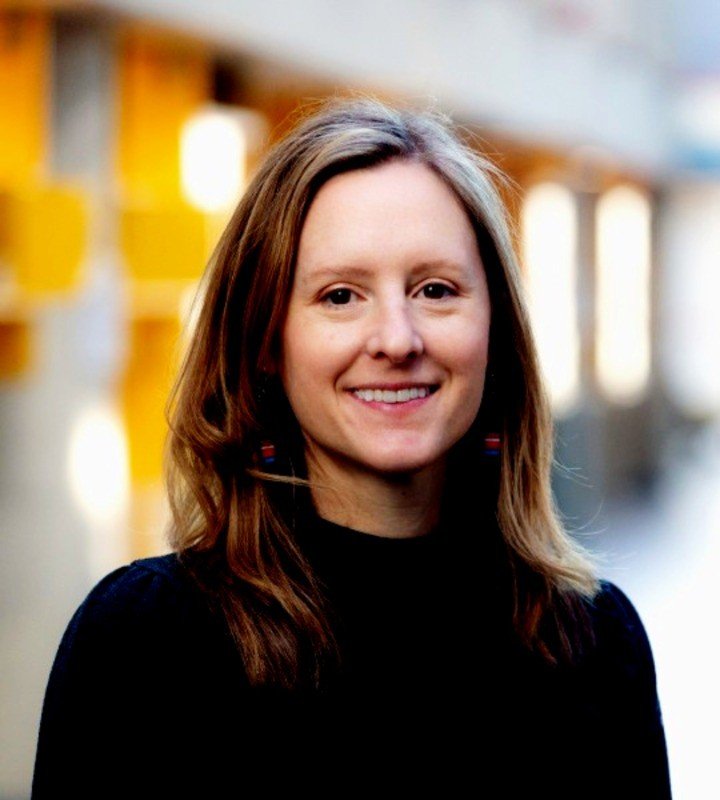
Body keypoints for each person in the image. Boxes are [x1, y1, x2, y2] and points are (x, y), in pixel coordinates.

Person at [32, 97, 671, 797]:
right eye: (340, 296)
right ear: (266, 342)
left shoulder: (591, 642)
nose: (396, 339)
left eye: (435, 289)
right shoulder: (142, 645)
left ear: (496, 330)